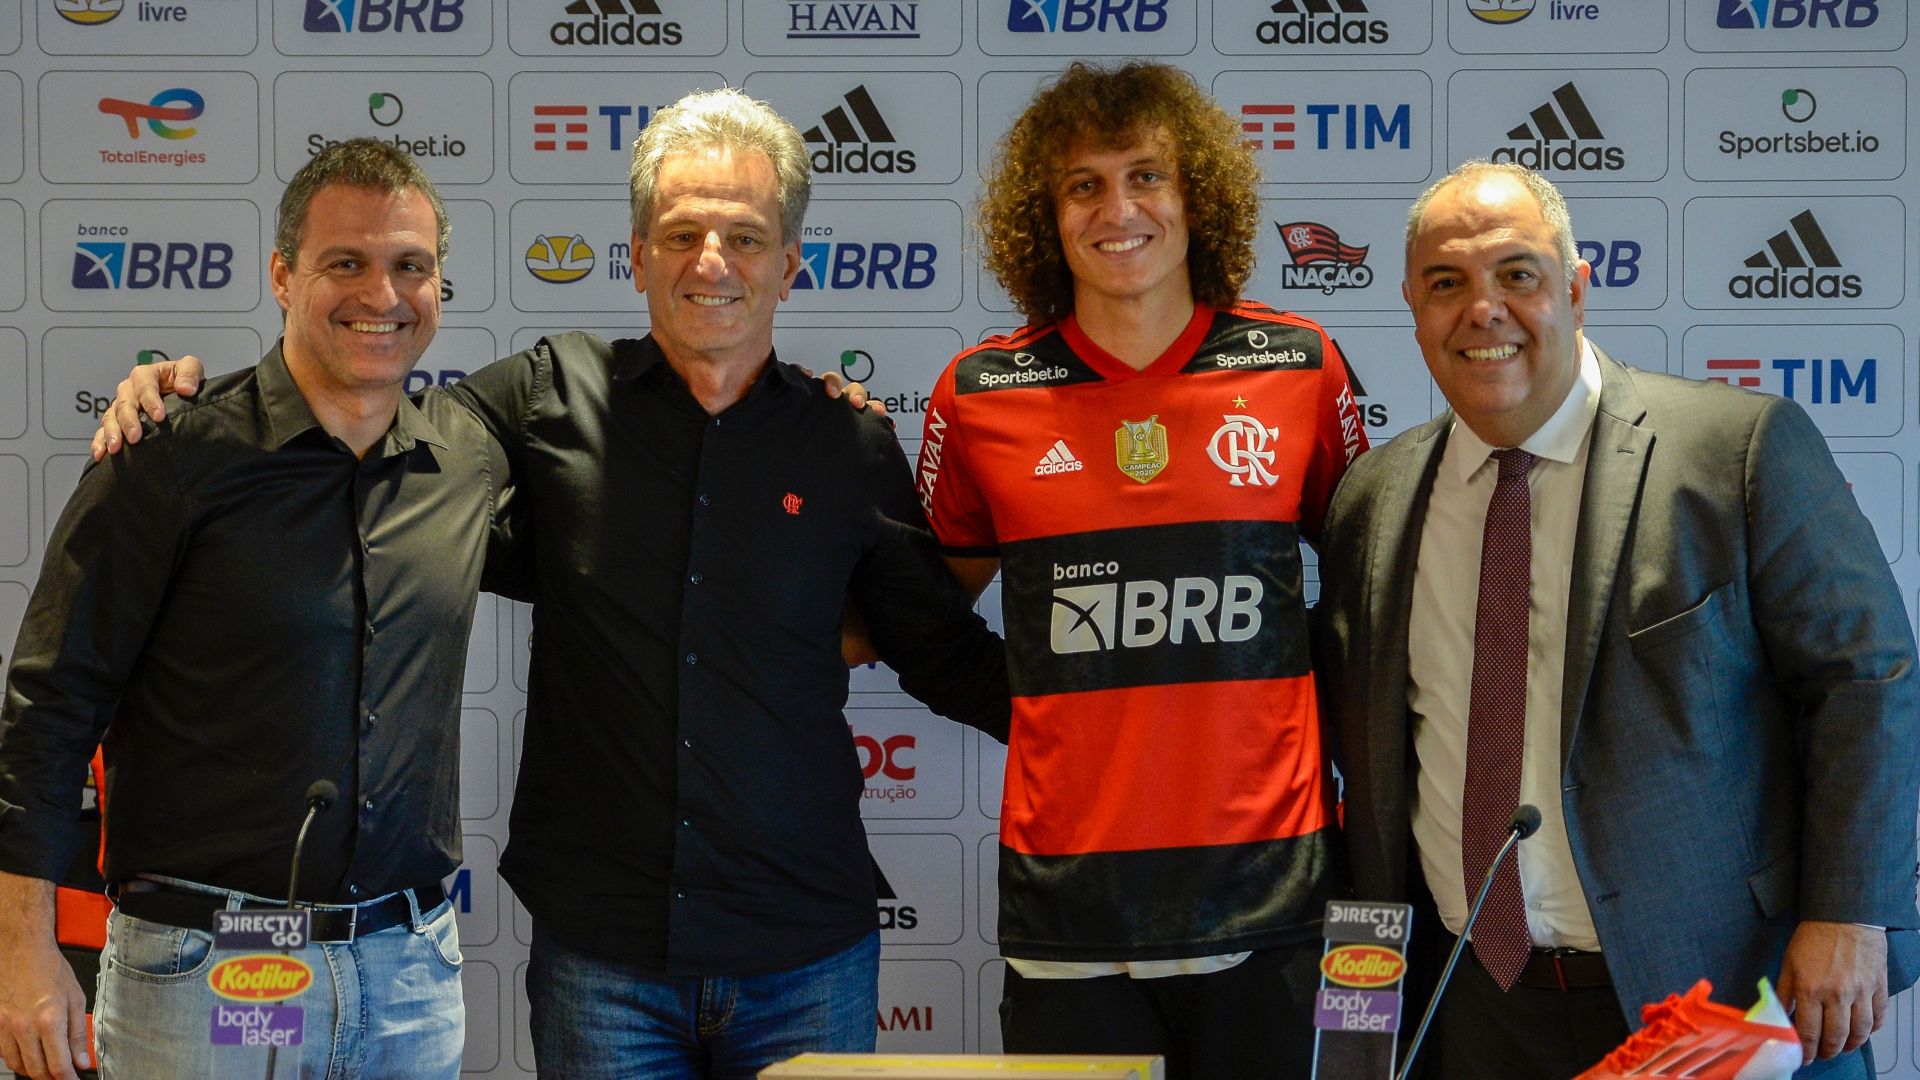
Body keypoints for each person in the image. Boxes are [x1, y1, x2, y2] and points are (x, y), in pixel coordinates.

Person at [94, 88, 1010, 1080]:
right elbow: (357, 411)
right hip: (601, 964)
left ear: (789, 265)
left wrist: (1131, 724)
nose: (711, 262)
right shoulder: (542, 396)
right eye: (681, 233)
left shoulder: (848, 442)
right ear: (635, 255)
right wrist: (186, 401)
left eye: (745, 238)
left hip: (808, 957)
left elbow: (941, 653)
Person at [1312, 160, 1920, 1078]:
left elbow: (1865, 678)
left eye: (1518, 274)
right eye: (1447, 283)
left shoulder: (1737, 450)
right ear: (1410, 303)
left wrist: (1851, 911)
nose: (1483, 309)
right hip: (1470, 1001)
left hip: (1718, 995)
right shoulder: (1375, 495)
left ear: (1575, 286)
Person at [0, 139, 510, 1080]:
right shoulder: (170, 456)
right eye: (344, 263)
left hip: (408, 979)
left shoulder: (468, 463)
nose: (382, 294)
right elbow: (49, 707)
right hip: (205, 979)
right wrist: (22, 949)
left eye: (411, 266)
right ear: (283, 275)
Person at [911, 62, 1366, 1078]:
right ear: (1048, 215)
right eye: (1084, 185)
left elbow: (1373, 596)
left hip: (1274, 902)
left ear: (1195, 195)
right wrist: (1035, 704)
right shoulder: (981, 394)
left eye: (1147, 176)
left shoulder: (1300, 366)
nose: (1119, 209)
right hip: (1071, 914)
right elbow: (921, 620)